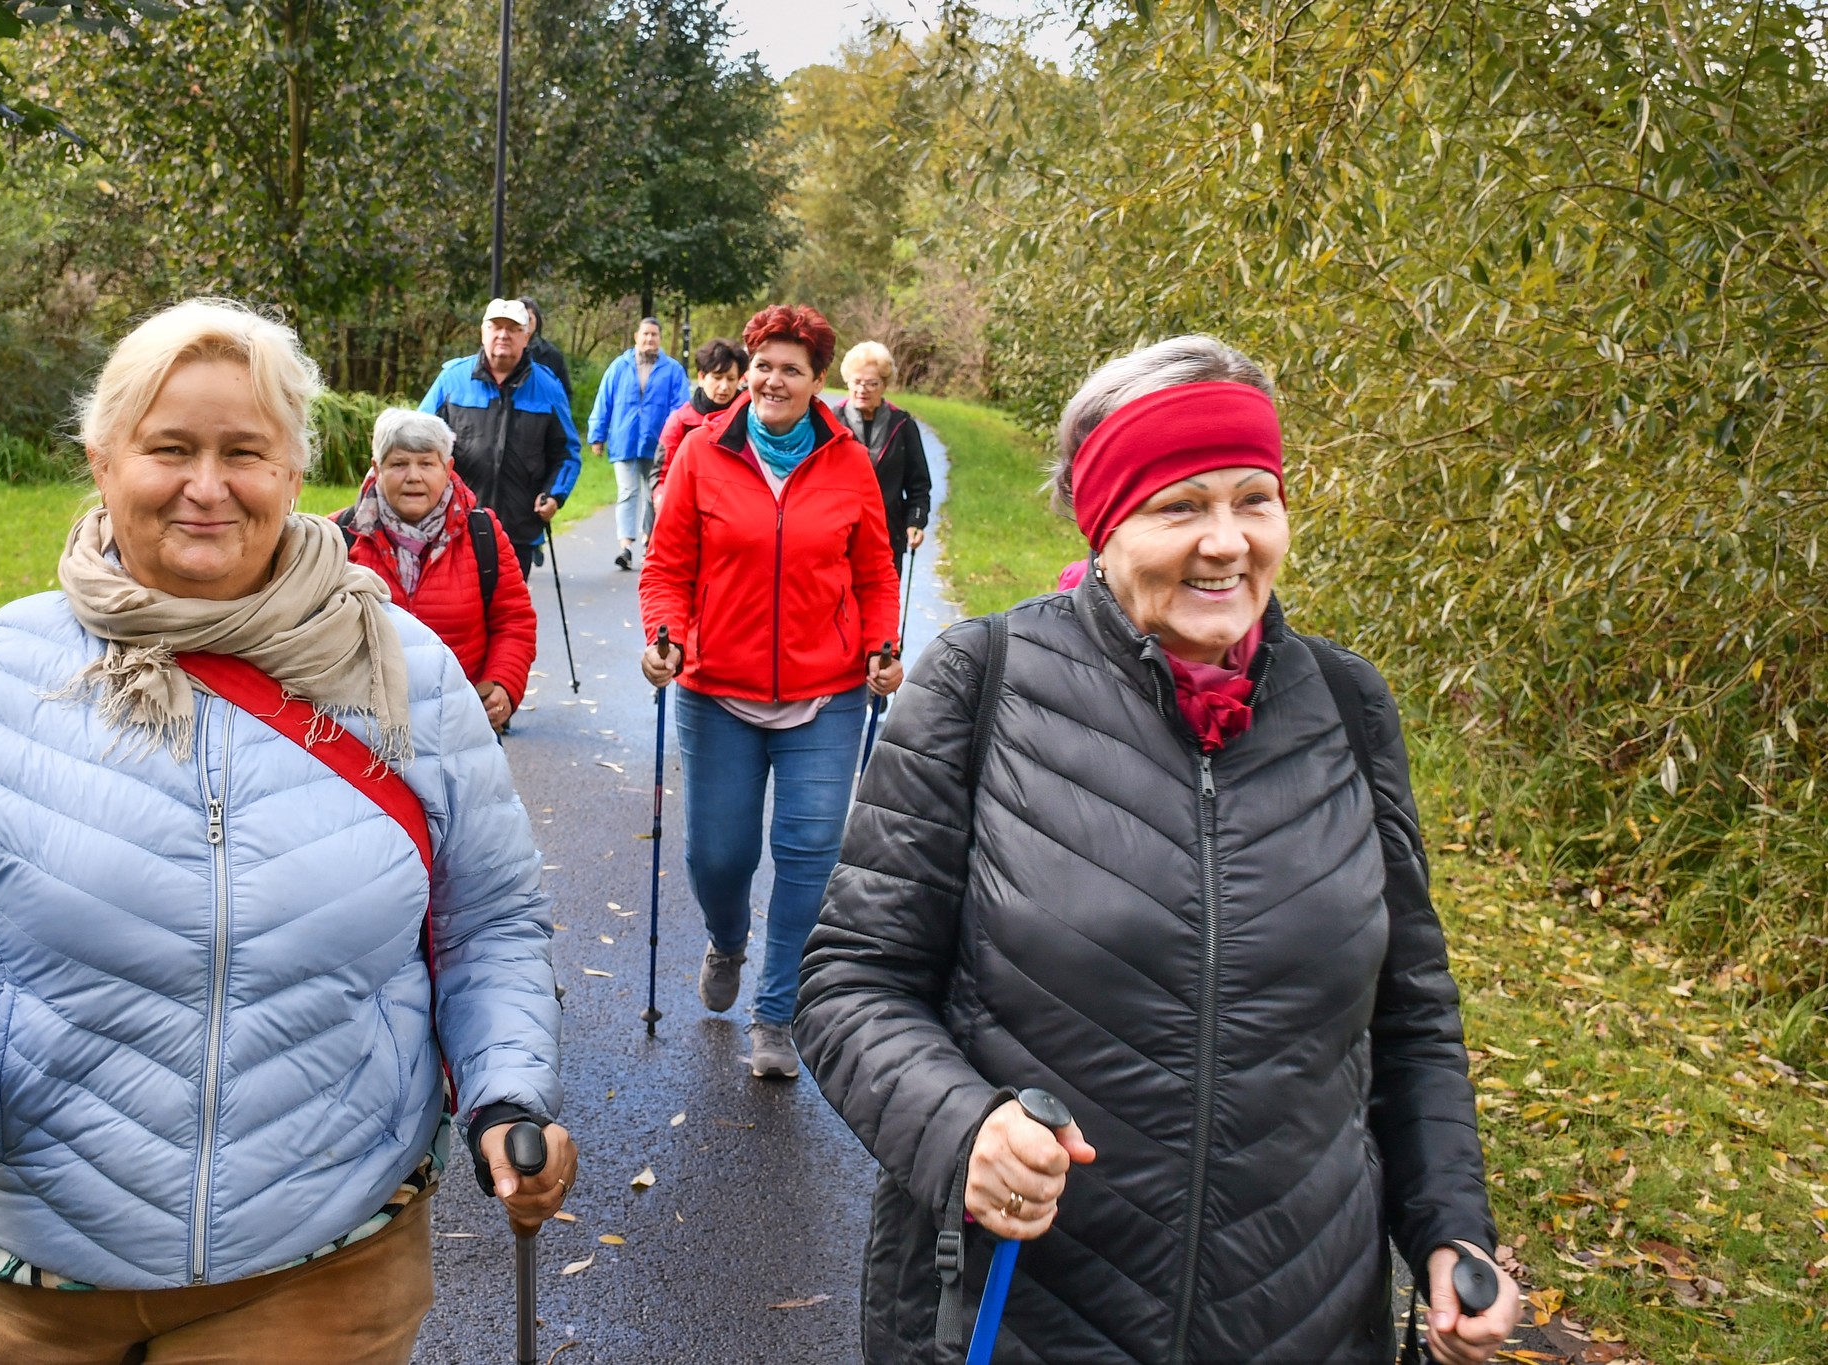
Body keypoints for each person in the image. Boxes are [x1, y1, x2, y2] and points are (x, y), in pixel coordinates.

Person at [0, 299, 577, 1362]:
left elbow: (490, 919)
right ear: (102, 459)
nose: (206, 486)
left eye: (244, 452)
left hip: (324, 1255)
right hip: (31, 1272)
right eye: (169, 448)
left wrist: (505, 1090)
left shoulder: (401, 672)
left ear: (295, 465)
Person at [794, 336, 1521, 1364]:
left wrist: (1448, 1228)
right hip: (1023, 1312)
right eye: (1179, 507)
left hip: (1303, 1318)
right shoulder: (979, 685)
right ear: (1103, 522)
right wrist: (960, 1131)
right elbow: (848, 983)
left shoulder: (1347, 709)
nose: (1225, 544)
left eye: (1253, 499)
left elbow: (1407, 1020)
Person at [638, 304, 903, 1081]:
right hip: (716, 685)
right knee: (719, 853)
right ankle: (727, 938)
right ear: (745, 370)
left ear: (818, 381)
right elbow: (666, 568)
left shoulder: (849, 460)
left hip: (826, 692)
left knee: (809, 853)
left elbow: (875, 574)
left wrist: (884, 647)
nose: (773, 379)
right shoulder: (699, 453)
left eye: (791, 367)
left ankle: (776, 1011)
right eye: (763, 364)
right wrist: (666, 634)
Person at [335, 407, 537, 732]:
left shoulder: (482, 533)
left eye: (426, 463)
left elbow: (513, 621)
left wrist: (502, 684)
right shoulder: (336, 537)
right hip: (361, 729)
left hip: (460, 723)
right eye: (399, 463)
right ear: (376, 469)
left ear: (447, 467)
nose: (413, 476)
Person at [420, 298, 581, 581]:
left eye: (512, 328)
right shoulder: (451, 381)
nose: (503, 335)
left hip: (518, 529)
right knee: (458, 615)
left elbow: (567, 452)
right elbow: (416, 440)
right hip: (455, 524)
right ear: (483, 332)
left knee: (508, 617)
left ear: (526, 335)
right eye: (496, 327)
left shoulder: (547, 388)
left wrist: (554, 494)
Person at [589, 317, 690, 570]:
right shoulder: (619, 366)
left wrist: (676, 439)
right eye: (645, 334)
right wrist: (597, 435)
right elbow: (604, 401)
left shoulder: (673, 370)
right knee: (627, 492)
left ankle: (648, 540)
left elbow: (680, 407)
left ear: (660, 338)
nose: (649, 339)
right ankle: (625, 546)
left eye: (654, 335)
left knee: (652, 495)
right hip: (624, 440)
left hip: (658, 444)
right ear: (636, 336)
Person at [830, 341, 931, 580]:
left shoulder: (903, 425)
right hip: (839, 533)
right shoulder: (831, 422)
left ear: (884, 385)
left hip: (888, 534)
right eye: (856, 381)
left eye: (871, 383)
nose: (862, 389)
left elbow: (919, 484)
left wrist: (916, 522)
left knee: (882, 603)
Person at [652, 336, 747, 502]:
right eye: (717, 377)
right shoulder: (681, 421)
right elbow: (660, 474)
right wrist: (660, 497)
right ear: (702, 378)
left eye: (731, 379)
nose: (724, 387)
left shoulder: (749, 417)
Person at [519, 295, 574, 404]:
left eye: (529, 319)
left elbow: (565, 394)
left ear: (537, 320)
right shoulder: (504, 351)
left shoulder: (551, 355)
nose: (525, 324)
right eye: (520, 318)